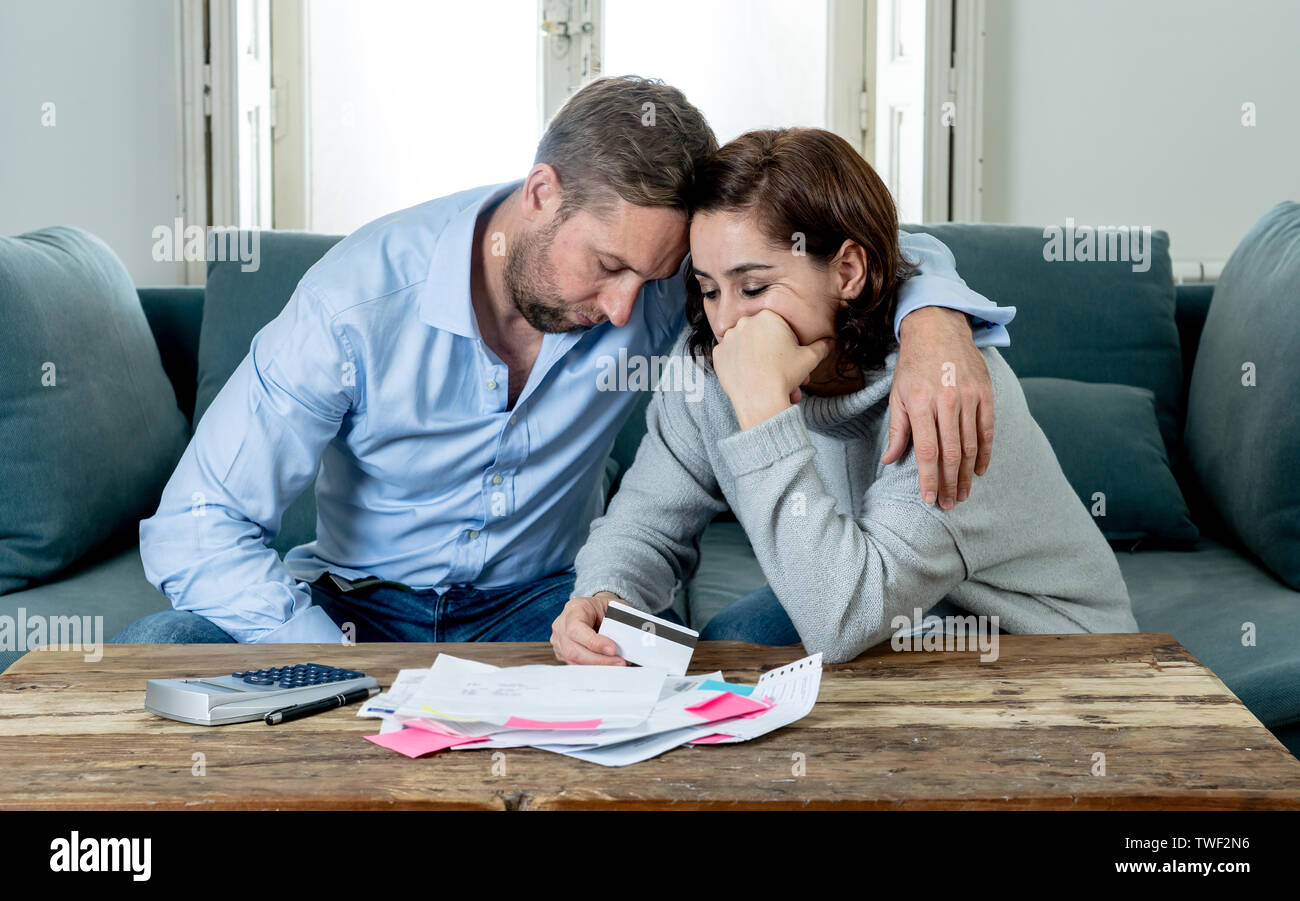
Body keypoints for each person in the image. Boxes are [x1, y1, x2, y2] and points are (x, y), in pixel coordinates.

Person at [114, 77, 1014, 648]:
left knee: (683, 693)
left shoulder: (672, 279)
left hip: (545, 602)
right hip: (357, 605)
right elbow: (198, 524)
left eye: (656, 278)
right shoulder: (354, 303)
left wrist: (934, 314)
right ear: (542, 192)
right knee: (161, 644)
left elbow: (825, 246)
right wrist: (324, 656)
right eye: (610, 267)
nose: (628, 309)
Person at [554, 127, 1137, 665]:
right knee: (729, 651)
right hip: (880, 599)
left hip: (1040, 649)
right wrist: (605, 594)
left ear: (849, 271)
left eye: (754, 287)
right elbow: (648, 524)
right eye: (709, 289)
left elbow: (842, 620)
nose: (729, 323)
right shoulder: (710, 361)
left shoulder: (940, 391)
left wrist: (763, 414)